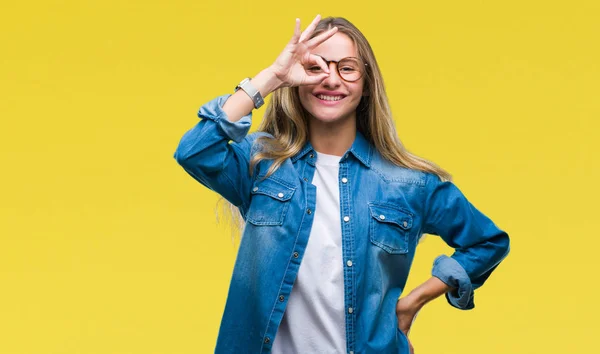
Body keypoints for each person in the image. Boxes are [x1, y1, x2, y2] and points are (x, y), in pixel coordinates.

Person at [173, 15, 510, 354]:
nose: (331, 80)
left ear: (366, 83)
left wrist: (413, 301)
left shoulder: (407, 184)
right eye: (316, 67)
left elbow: (487, 242)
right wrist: (271, 77)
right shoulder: (263, 164)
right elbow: (194, 150)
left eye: (347, 68)